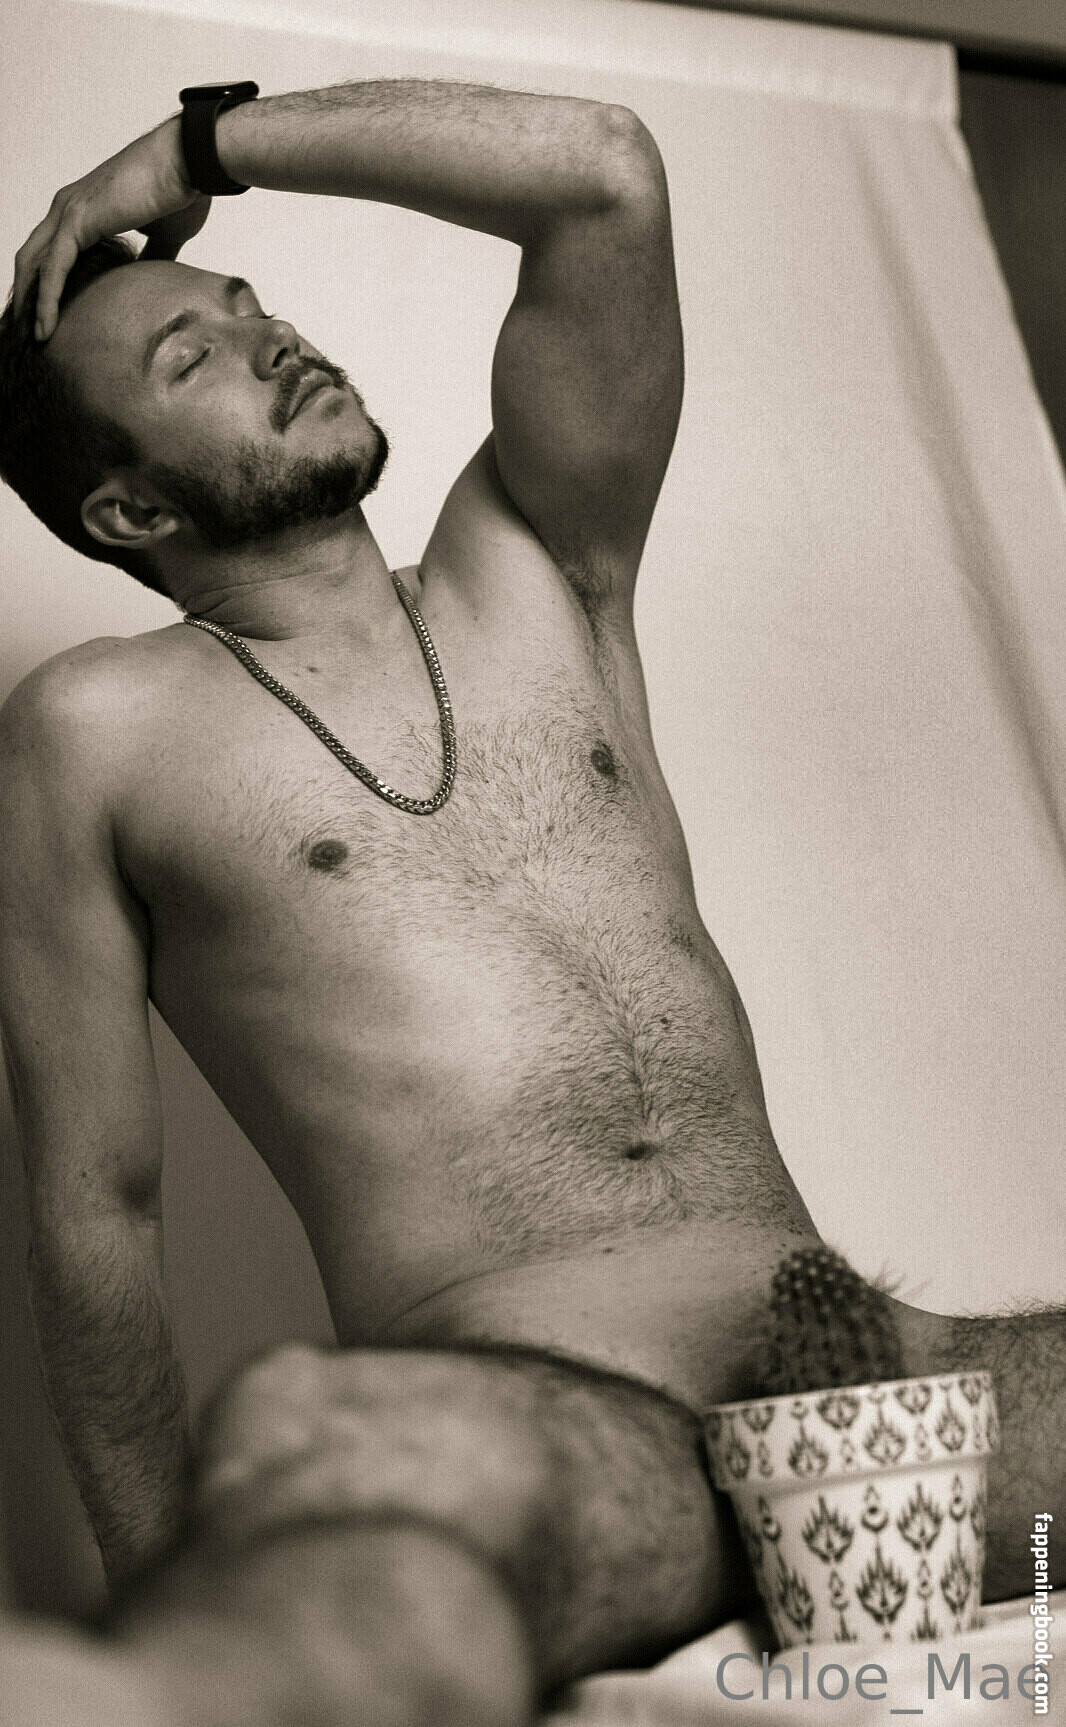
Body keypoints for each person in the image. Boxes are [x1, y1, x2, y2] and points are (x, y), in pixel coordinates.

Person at [0, 78, 1060, 1726]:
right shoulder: (94, 733)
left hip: (853, 1366)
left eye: (252, 304)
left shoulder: (540, 567)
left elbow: (600, 179)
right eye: (193, 359)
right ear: (129, 511)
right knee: (374, 1559)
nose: (271, 338)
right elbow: (97, 1215)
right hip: (555, 1408)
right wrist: (153, 1585)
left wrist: (198, 148)